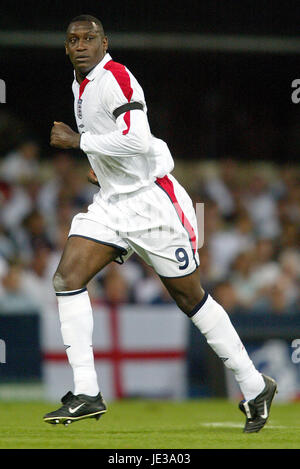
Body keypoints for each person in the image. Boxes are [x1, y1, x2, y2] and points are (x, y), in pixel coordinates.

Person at [43, 15, 277, 432]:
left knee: (191, 300)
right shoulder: (82, 84)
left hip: (153, 204)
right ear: (65, 48)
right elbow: (120, 146)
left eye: (89, 38)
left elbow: (137, 137)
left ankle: (254, 384)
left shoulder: (116, 76)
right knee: (66, 278)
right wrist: (102, 168)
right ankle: (86, 392)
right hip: (113, 203)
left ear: (104, 43)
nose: (80, 45)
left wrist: (79, 143)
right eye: (73, 39)